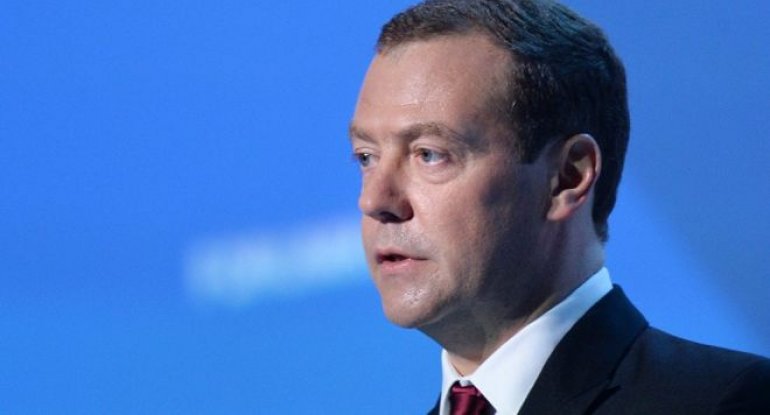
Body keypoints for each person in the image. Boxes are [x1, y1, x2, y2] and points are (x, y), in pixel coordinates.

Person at [348, 0, 770, 414]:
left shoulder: (724, 401)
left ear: (568, 176)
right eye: (366, 157)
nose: (374, 200)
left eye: (430, 154)